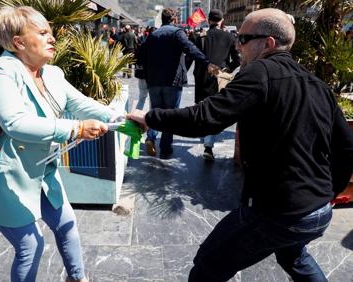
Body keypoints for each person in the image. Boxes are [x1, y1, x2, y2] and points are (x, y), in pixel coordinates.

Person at [127, 8, 353, 281]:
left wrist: (151, 117)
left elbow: (206, 118)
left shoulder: (260, 71)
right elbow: (346, 148)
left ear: (268, 43)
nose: (237, 45)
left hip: (279, 212)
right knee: (292, 255)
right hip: (318, 211)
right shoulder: (316, 83)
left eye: (244, 39)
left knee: (207, 267)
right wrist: (327, 194)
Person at [0, 6, 118, 282]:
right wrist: (76, 128)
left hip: (42, 171)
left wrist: (125, 117)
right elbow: (15, 122)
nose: (52, 38)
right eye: (43, 32)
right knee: (30, 245)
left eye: (50, 32)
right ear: (18, 42)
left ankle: (77, 278)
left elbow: (83, 104)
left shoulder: (52, 74)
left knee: (67, 224)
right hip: (3, 175)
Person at [140, 7, 219, 159]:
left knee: (155, 110)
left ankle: (150, 137)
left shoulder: (152, 35)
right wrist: (207, 63)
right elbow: (191, 49)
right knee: (170, 115)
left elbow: (141, 56)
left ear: (162, 19)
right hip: (172, 81)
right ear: (174, 19)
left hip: (154, 81)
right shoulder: (177, 33)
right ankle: (165, 148)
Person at [192, 9, 240, 161]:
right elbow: (237, 60)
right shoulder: (229, 36)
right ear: (222, 21)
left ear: (209, 21)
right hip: (219, 78)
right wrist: (227, 69)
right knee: (213, 110)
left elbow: (193, 57)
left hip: (201, 77)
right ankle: (208, 145)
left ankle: (206, 137)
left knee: (202, 107)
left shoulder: (200, 36)